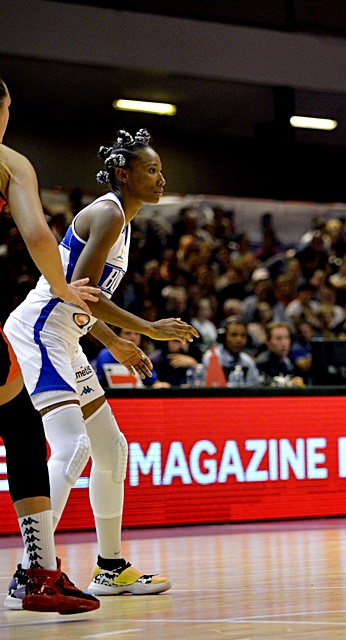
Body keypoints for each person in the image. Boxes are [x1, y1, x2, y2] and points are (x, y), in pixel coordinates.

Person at [4, 128, 198, 600]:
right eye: (151, 170)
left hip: (67, 337)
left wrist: (116, 342)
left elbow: (83, 300)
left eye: (160, 169)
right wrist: (147, 329)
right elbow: (79, 292)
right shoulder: (109, 214)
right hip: (40, 334)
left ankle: (109, 567)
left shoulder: (122, 220)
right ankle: (32, 570)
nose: (161, 177)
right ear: (123, 174)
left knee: (112, 449)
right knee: (72, 450)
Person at [0, 77, 102, 613]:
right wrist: (62, 288)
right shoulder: (10, 162)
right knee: (21, 425)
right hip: (35, 328)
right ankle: (39, 571)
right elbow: (39, 237)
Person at [203, 315, 261, 386]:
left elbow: (256, 386)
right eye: (234, 335)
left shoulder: (247, 361)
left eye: (243, 335)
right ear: (224, 337)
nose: (239, 340)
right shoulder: (212, 358)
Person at [255, 321, 304, 386]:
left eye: (287, 337)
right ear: (268, 341)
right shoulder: (262, 364)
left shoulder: (288, 362)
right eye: (278, 338)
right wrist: (289, 384)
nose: (284, 343)